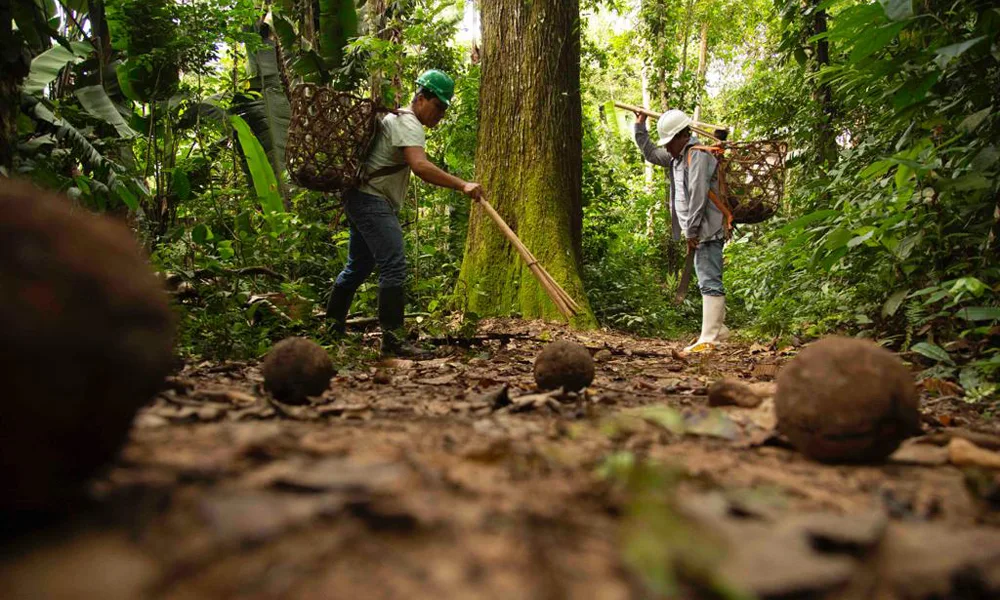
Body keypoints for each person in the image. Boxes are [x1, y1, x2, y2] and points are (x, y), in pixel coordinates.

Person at [325, 69, 483, 357]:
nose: (441, 114)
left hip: (360, 195)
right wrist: (463, 185)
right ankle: (393, 341)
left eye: (445, 109)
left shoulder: (396, 118)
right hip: (371, 200)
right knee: (394, 264)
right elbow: (420, 166)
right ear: (421, 98)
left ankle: (331, 329)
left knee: (358, 267)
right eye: (438, 106)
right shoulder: (408, 122)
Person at [633, 109, 730, 353]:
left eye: (669, 142)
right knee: (706, 277)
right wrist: (639, 127)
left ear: (682, 136)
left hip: (706, 229)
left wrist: (692, 230)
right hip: (697, 230)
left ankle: (710, 338)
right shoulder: (676, 158)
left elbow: (698, 195)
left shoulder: (698, 155)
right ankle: (719, 330)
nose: (667, 148)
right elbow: (651, 154)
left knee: (709, 279)